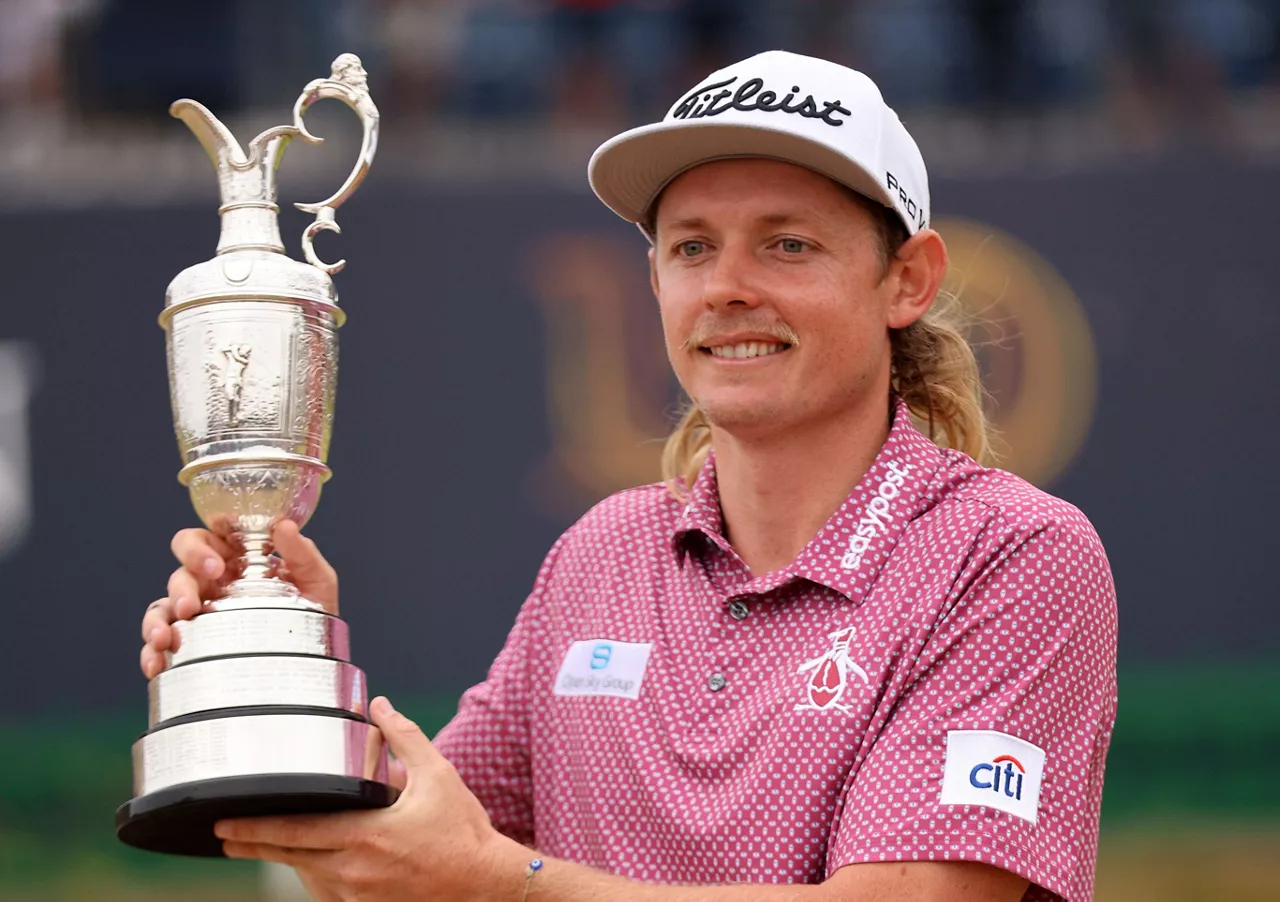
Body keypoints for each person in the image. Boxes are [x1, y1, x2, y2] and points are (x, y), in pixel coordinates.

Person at [139, 50, 1117, 902]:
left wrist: (498, 883)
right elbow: (403, 851)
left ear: (905, 278)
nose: (727, 284)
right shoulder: (598, 553)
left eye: (787, 242)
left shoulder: (1010, 554)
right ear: (655, 282)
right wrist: (288, 669)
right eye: (691, 246)